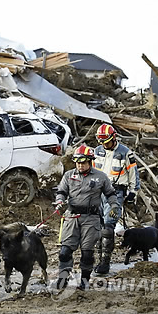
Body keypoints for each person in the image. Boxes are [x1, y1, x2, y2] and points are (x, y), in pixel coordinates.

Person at [54, 144, 118, 290]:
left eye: (83, 162)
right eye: (78, 162)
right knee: (65, 251)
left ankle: (84, 281)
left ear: (90, 161)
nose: (80, 166)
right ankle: (63, 279)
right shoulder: (69, 175)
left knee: (87, 253)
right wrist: (59, 201)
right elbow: (61, 192)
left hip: (91, 218)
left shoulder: (100, 177)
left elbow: (110, 194)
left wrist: (114, 207)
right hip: (71, 217)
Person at [93, 124, 140, 274]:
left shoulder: (125, 153)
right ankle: (98, 260)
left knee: (108, 228)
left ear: (113, 138)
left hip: (115, 192)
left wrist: (133, 193)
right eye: (101, 142)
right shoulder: (97, 151)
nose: (104, 145)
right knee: (98, 228)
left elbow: (133, 173)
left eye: (106, 142)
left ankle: (105, 263)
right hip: (97, 192)